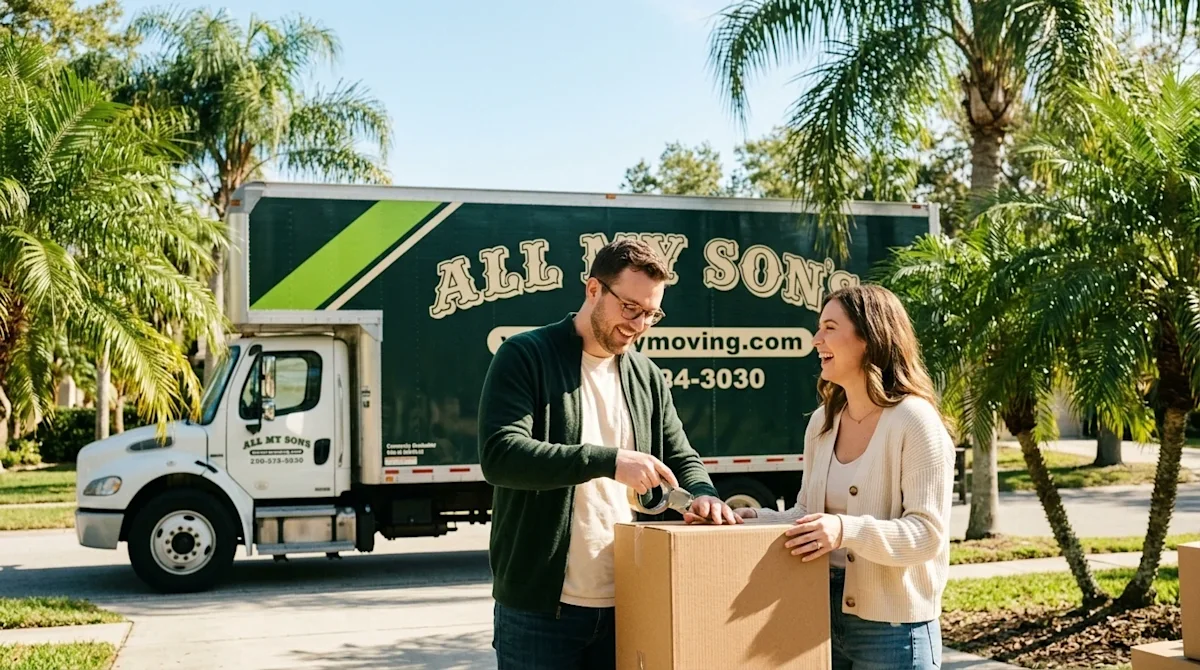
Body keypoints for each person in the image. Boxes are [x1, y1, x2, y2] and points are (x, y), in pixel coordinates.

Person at [478, 238, 741, 669]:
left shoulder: (647, 375)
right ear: (594, 289)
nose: (639, 324)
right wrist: (611, 460)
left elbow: (681, 455)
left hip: (631, 603)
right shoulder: (525, 355)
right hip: (540, 611)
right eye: (630, 308)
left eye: (651, 314)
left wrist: (703, 494)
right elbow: (501, 455)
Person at [693, 284, 954, 669]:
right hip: (819, 615)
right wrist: (754, 519)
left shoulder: (915, 421)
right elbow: (807, 512)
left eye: (829, 328)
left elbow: (927, 535)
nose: (816, 340)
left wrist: (845, 529)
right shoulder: (823, 422)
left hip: (893, 631)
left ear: (869, 337)